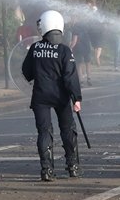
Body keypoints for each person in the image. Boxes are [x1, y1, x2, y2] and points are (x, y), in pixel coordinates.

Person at [21, 10, 82, 181]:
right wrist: (77, 98)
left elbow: (26, 72)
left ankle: (46, 170)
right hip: (61, 97)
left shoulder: (35, 48)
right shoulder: (64, 50)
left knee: (44, 132)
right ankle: (73, 166)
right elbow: (71, 77)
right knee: (68, 130)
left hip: (40, 96)